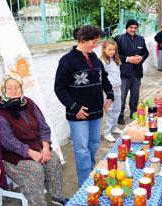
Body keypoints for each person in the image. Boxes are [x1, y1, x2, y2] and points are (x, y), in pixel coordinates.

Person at [0, 73, 68, 206]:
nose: (14, 91)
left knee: (53, 160)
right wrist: (30, 153)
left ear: (21, 88)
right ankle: (37, 203)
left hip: (37, 146)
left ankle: (56, 196)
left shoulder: (28, 102)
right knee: (35, 170)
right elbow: (8, 141)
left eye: (17, 87)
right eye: (9, 88)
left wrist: (46, 147)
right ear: (3, 90)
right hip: (13, 155)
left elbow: (43, 126)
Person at [54, 25, 114, 186]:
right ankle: (85, 184)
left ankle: (90, 173)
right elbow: (59, 88)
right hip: (78, 114)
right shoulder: (67, 60)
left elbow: (104, 79)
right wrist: (74, 107)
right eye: (94, 42)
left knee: (94, 144)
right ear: (82, 40)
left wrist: (109, 94)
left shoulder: (94, 58)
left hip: (96, 113)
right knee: (81, 150)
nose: (96, 45)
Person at [115, 19, 149, 125]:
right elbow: (115, 55)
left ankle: (133, 113)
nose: (133, 29)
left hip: (137, 73)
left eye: (135, 28)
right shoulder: (119, 39)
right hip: (124, 73)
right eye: (131, 27)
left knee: (135, 96)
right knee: (122, 96)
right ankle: (119, 116)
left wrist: (141, 58)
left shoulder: (141, 39)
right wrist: (128, 59)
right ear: (127, 28)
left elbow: (146, 52)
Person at [100, 40, 123, 142]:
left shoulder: (115, 59)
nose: (111, 51)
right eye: (109, 49)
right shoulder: (102, 61)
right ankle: (107, 132)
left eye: (113, 49)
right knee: (109, 110)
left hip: (118, 87)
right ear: (104, 49)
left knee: (117, 109)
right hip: (109, 89)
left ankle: (114, 127)